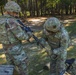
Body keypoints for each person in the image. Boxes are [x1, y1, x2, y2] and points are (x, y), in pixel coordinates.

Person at [0, 1, 31, 75]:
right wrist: (29, 34)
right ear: (10, 11)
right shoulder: (11, 21)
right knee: (23, 68)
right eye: (15, 12)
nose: (16, 14)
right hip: (16, 50)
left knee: (10, 68)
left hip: (6, 48)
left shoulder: (1, 19)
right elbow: (21, 36)